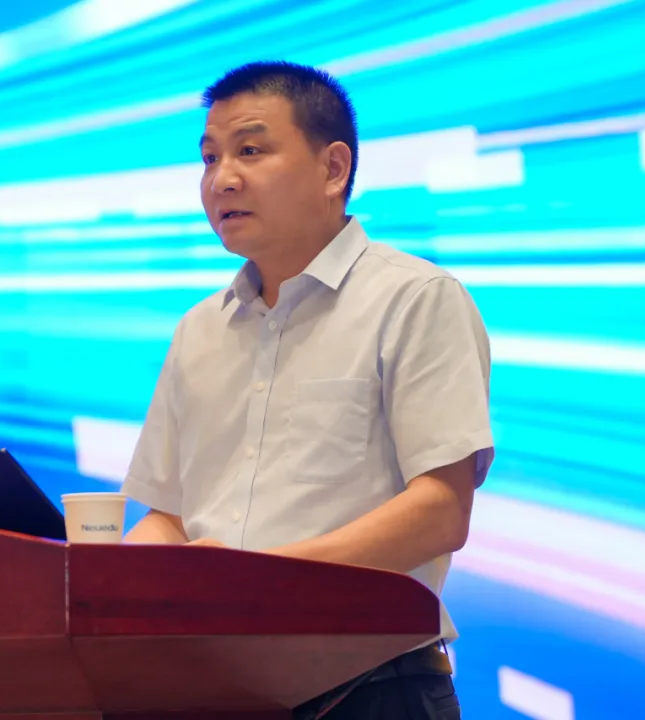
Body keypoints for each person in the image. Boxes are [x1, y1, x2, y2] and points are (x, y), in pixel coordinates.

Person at [120, 61, 493, 720]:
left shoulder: (415, 298)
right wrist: (110, 593)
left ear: (333, 168)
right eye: (209, 158)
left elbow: (440, 509)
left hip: (372, 688)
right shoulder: (198, 329)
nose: (222, 178)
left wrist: (258, 583)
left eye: (250, 151)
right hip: (213, 690)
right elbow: (169, 517)